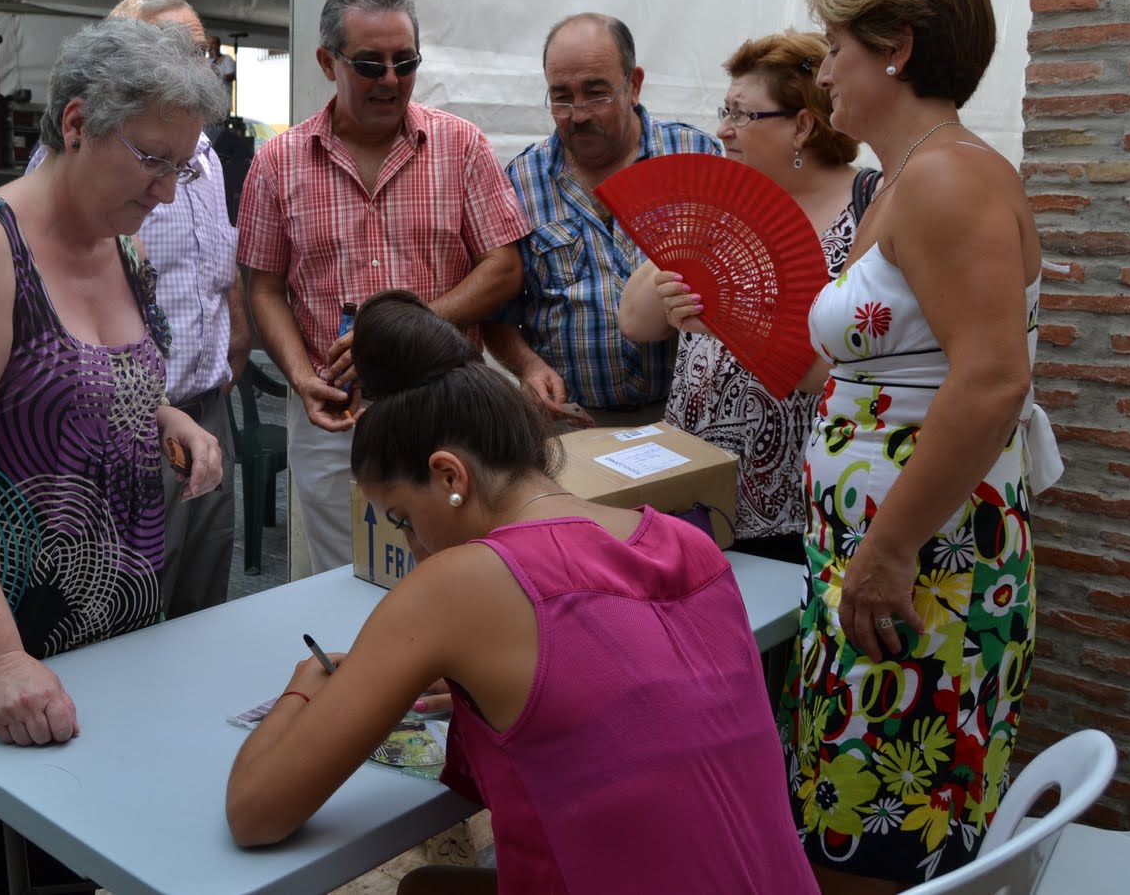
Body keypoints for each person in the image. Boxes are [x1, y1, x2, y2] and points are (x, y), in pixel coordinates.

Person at [224, 290, 816, 895]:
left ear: (449, 476)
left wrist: (306, 685)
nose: (413, 549)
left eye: (403, 519)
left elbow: (255, 811)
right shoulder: (686, 542)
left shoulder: (455, 587)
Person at [0, 16, 229, 891]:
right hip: (5, 636)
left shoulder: (122, 242)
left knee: (87, 862)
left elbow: (67, 374)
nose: (168, 190)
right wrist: (1, 661)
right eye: (152, 159)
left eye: (183, 167)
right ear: (76, 123)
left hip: (111, 631)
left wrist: (166, 414)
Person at [761, 0, 1044, 891]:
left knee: (879, 834)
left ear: (898, 47)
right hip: (894, 555)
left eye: (837, 47)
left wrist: (885, 551)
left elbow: (992, 380)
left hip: (924, 563)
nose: (825, 71)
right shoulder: (911, 176)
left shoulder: (949, 178)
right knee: (857, 820)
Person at [236, 0, 528, 571]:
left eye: (406, 62)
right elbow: (263, 287)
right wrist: (302, 379)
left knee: (455, 573)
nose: (391, 80)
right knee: (344, 576)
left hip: (446, 408)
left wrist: (407, 329)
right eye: (370, 64)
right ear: (327, 62)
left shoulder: (461, 146)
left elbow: (503, 267)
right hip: (335, 414)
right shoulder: (276, 162)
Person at [617, 30, 879, 561]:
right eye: (725, 110)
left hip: (797, 496)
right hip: (694, 481)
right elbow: (636, 322)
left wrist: (737, 322)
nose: (723, 129)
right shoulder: (724, 201)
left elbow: (863, 363)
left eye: (742, 114)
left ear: (802, 125)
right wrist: (670, 283)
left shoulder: (870, 209)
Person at [483, 13, 720, 430]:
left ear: (634, 85)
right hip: (573, 422)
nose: (578, 115)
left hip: (687, 415)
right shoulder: (521, 180)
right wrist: (529, 366)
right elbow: (497, 314)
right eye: (561, 97)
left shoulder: (694, 157)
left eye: (596, 94)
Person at [106, 0, 250, 616]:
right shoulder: (99, 153)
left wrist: (237, 334)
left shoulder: (207, 155)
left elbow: (217, 259)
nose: (199, 69)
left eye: (204, 54)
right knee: (138, 603)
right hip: (139, 423)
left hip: (210, 410)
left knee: (205, 596)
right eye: (178, 53)